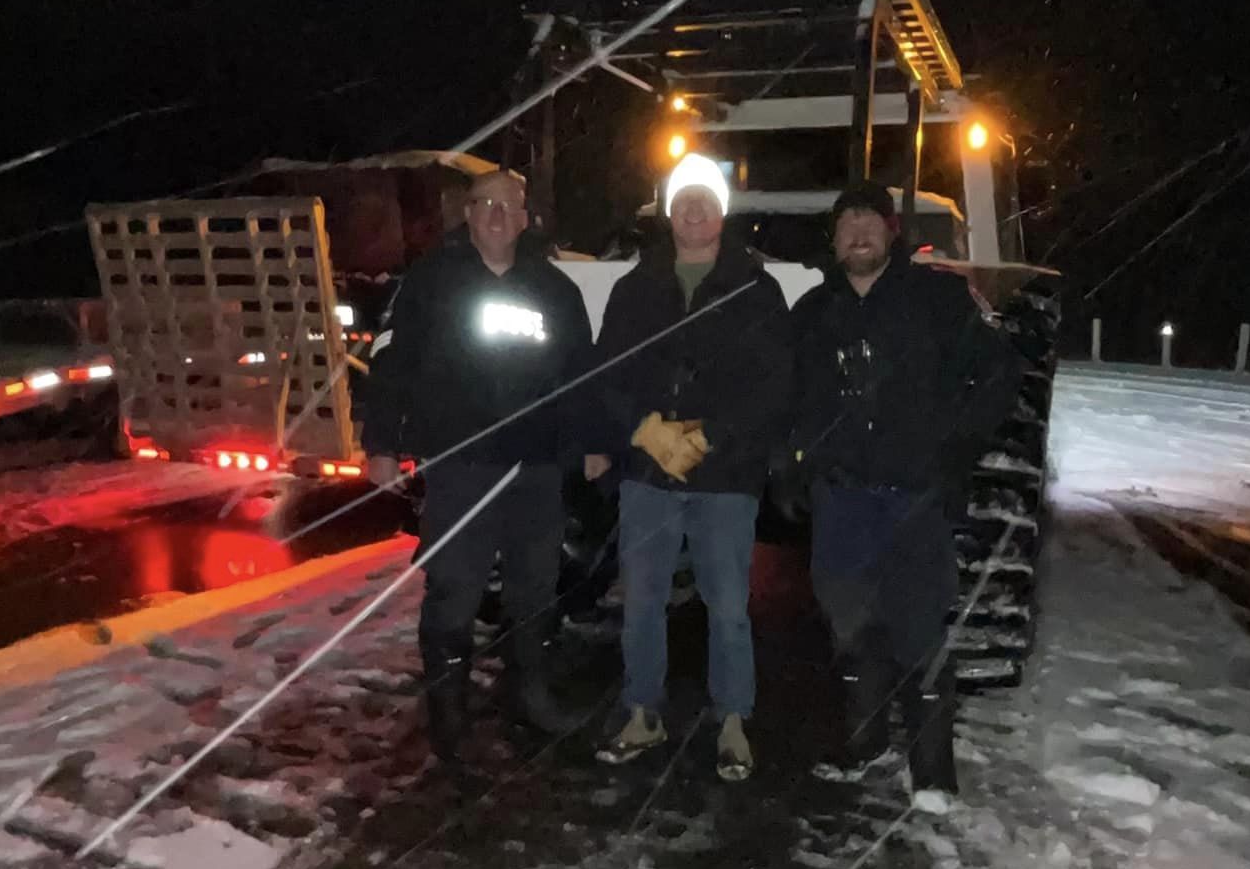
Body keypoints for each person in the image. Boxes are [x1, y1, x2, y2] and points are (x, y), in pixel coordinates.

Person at [788, 183, 1024, 796]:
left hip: (915, 500)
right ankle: (864, 744)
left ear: (892, 232)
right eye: (847, 223)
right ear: (833, 239)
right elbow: (787, 399)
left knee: (921, 635)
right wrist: (792, 465)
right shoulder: (812, 315)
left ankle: (933, 774)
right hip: (841, 503)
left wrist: (956, 450)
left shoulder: (938, 299)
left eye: (870, 220)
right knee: (851, 632)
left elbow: (999, 373)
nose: (859, 232)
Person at [363, 168, 595, 774]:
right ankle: (450, 716)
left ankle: (530, 693)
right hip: (461, 467)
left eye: (508, 206)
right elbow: (392, 366)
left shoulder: (555, 291)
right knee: (454, 593)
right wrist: (381, 442)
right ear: (467, 215)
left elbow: (580, 376)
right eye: (484, 204)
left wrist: (593, 440)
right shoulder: (431, 284)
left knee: (535, 590)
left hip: (536, 469)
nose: (496, 215)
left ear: (525, 220)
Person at [590, 154, 793, 781]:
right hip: (648, 474)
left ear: (722, 211)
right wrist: (646, 430)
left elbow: (773, 385)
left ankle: (733, 720)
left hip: (724, 478)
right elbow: (608, 374)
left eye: (705, 198)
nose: (694, 209)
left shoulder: (756, 290)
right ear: (669, 210)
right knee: (642, 601)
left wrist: (709, 437)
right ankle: (642, 712)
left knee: (727, 603)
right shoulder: (634, 287)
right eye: (683, 199)